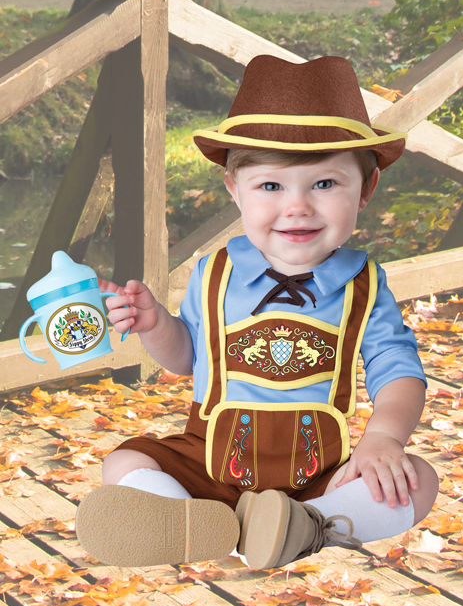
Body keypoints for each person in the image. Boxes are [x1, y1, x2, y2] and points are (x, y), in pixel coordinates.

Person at [75, 55, 439, 571]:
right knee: (124, 461)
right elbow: (188, 359)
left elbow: (397, 370)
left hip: (318, 475)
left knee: (416, 481)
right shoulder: (214, 273)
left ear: (366, 191)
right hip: (210, 460)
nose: (297, 207)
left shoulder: (365, 285)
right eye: (271, 186)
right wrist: (157, 325)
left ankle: (306, 524)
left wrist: (383, 439)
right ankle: (196, 523)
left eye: (325, 184)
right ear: (234, 188)